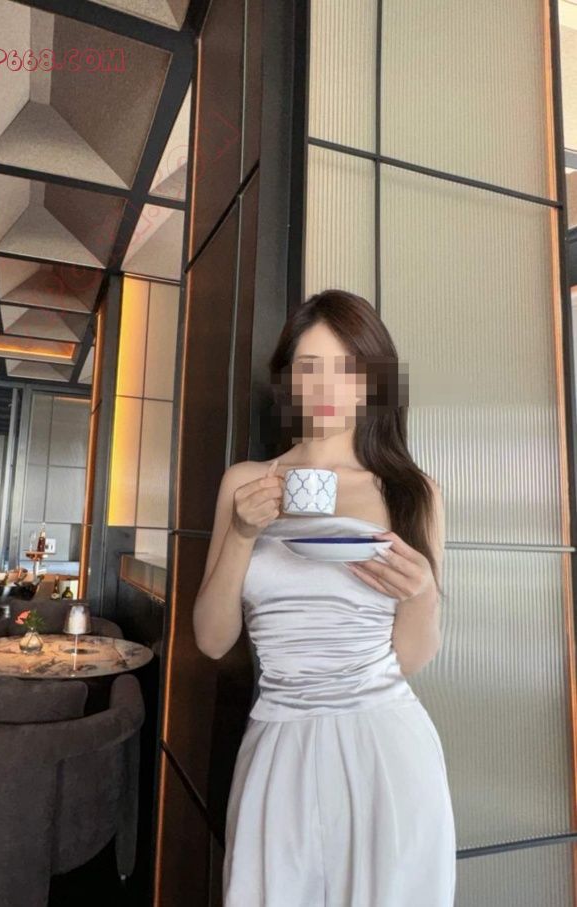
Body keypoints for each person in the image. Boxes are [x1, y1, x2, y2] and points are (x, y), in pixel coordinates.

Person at [192, 289, 456, 906]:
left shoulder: (413, 492)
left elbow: (411, 658)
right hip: (278, 741)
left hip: (387, 747)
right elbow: (211, 640)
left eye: (347, 368)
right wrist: (243, 533)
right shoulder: (246, 482)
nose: (327, 387)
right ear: (286, 380)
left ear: (372, 381)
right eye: (309, 368)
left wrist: (421, 594)